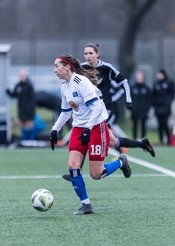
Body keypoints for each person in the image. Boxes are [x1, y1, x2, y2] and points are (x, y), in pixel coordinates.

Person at [50, 54, 132, 215]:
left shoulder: (81, 82)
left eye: (56, 66)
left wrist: (88, 128)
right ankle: (86, 204)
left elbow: (97, 108)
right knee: (73, 166)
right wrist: (55, 130)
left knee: (96, 174)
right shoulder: (64, 87)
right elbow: (65, 112)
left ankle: (121, 162)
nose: (54, 70)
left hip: (95, 127)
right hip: (79, 128)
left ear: (67, 67)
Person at [61, 43, 155, 182]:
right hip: (90, 111)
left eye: (91, 53)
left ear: (97, 54)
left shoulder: (106, 68)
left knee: (93, 136)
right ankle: (141, 145)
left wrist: (128, 100)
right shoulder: (81, 68)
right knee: (112, 141)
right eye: (85, 53)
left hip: (105, 110)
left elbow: (123, 82)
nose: (88, 56)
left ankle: (78, 170)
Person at [6, 68, 36, 140]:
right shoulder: (18, 85)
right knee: (22, 126)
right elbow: (14, 94)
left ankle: (31, 141)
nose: (21, 77)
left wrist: (30, 110)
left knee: (29, 125)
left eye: (23, 75)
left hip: (29, 110)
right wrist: (8, 92)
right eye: (20, 75)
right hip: (21, 110)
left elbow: (33, 99)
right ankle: (24, 141)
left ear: (26, 76)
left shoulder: (29, 86)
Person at [152, 69, 175, 145]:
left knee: (165, 124)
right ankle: (161, 140)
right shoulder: (156, 84)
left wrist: (168, 103)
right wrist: (154, 104)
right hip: (158, 108)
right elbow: (153, 95)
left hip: (166, 108)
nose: (158, 76)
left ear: (163, 75)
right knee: (159, 125)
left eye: (160, 74)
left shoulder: (169, 83)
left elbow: (172, 94)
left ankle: (168, 140)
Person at [130, 71, 152, 139]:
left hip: (143, 111)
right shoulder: (132, 88)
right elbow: (129, 98)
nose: (139, 78)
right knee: (134, 125)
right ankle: (134, 139)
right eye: (138, 77)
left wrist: (147, 109)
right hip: (134, 110)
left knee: (143, 125)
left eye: (140, 77)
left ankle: (143, 139)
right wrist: (131, 108)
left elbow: (149, 100)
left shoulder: (146, 88)